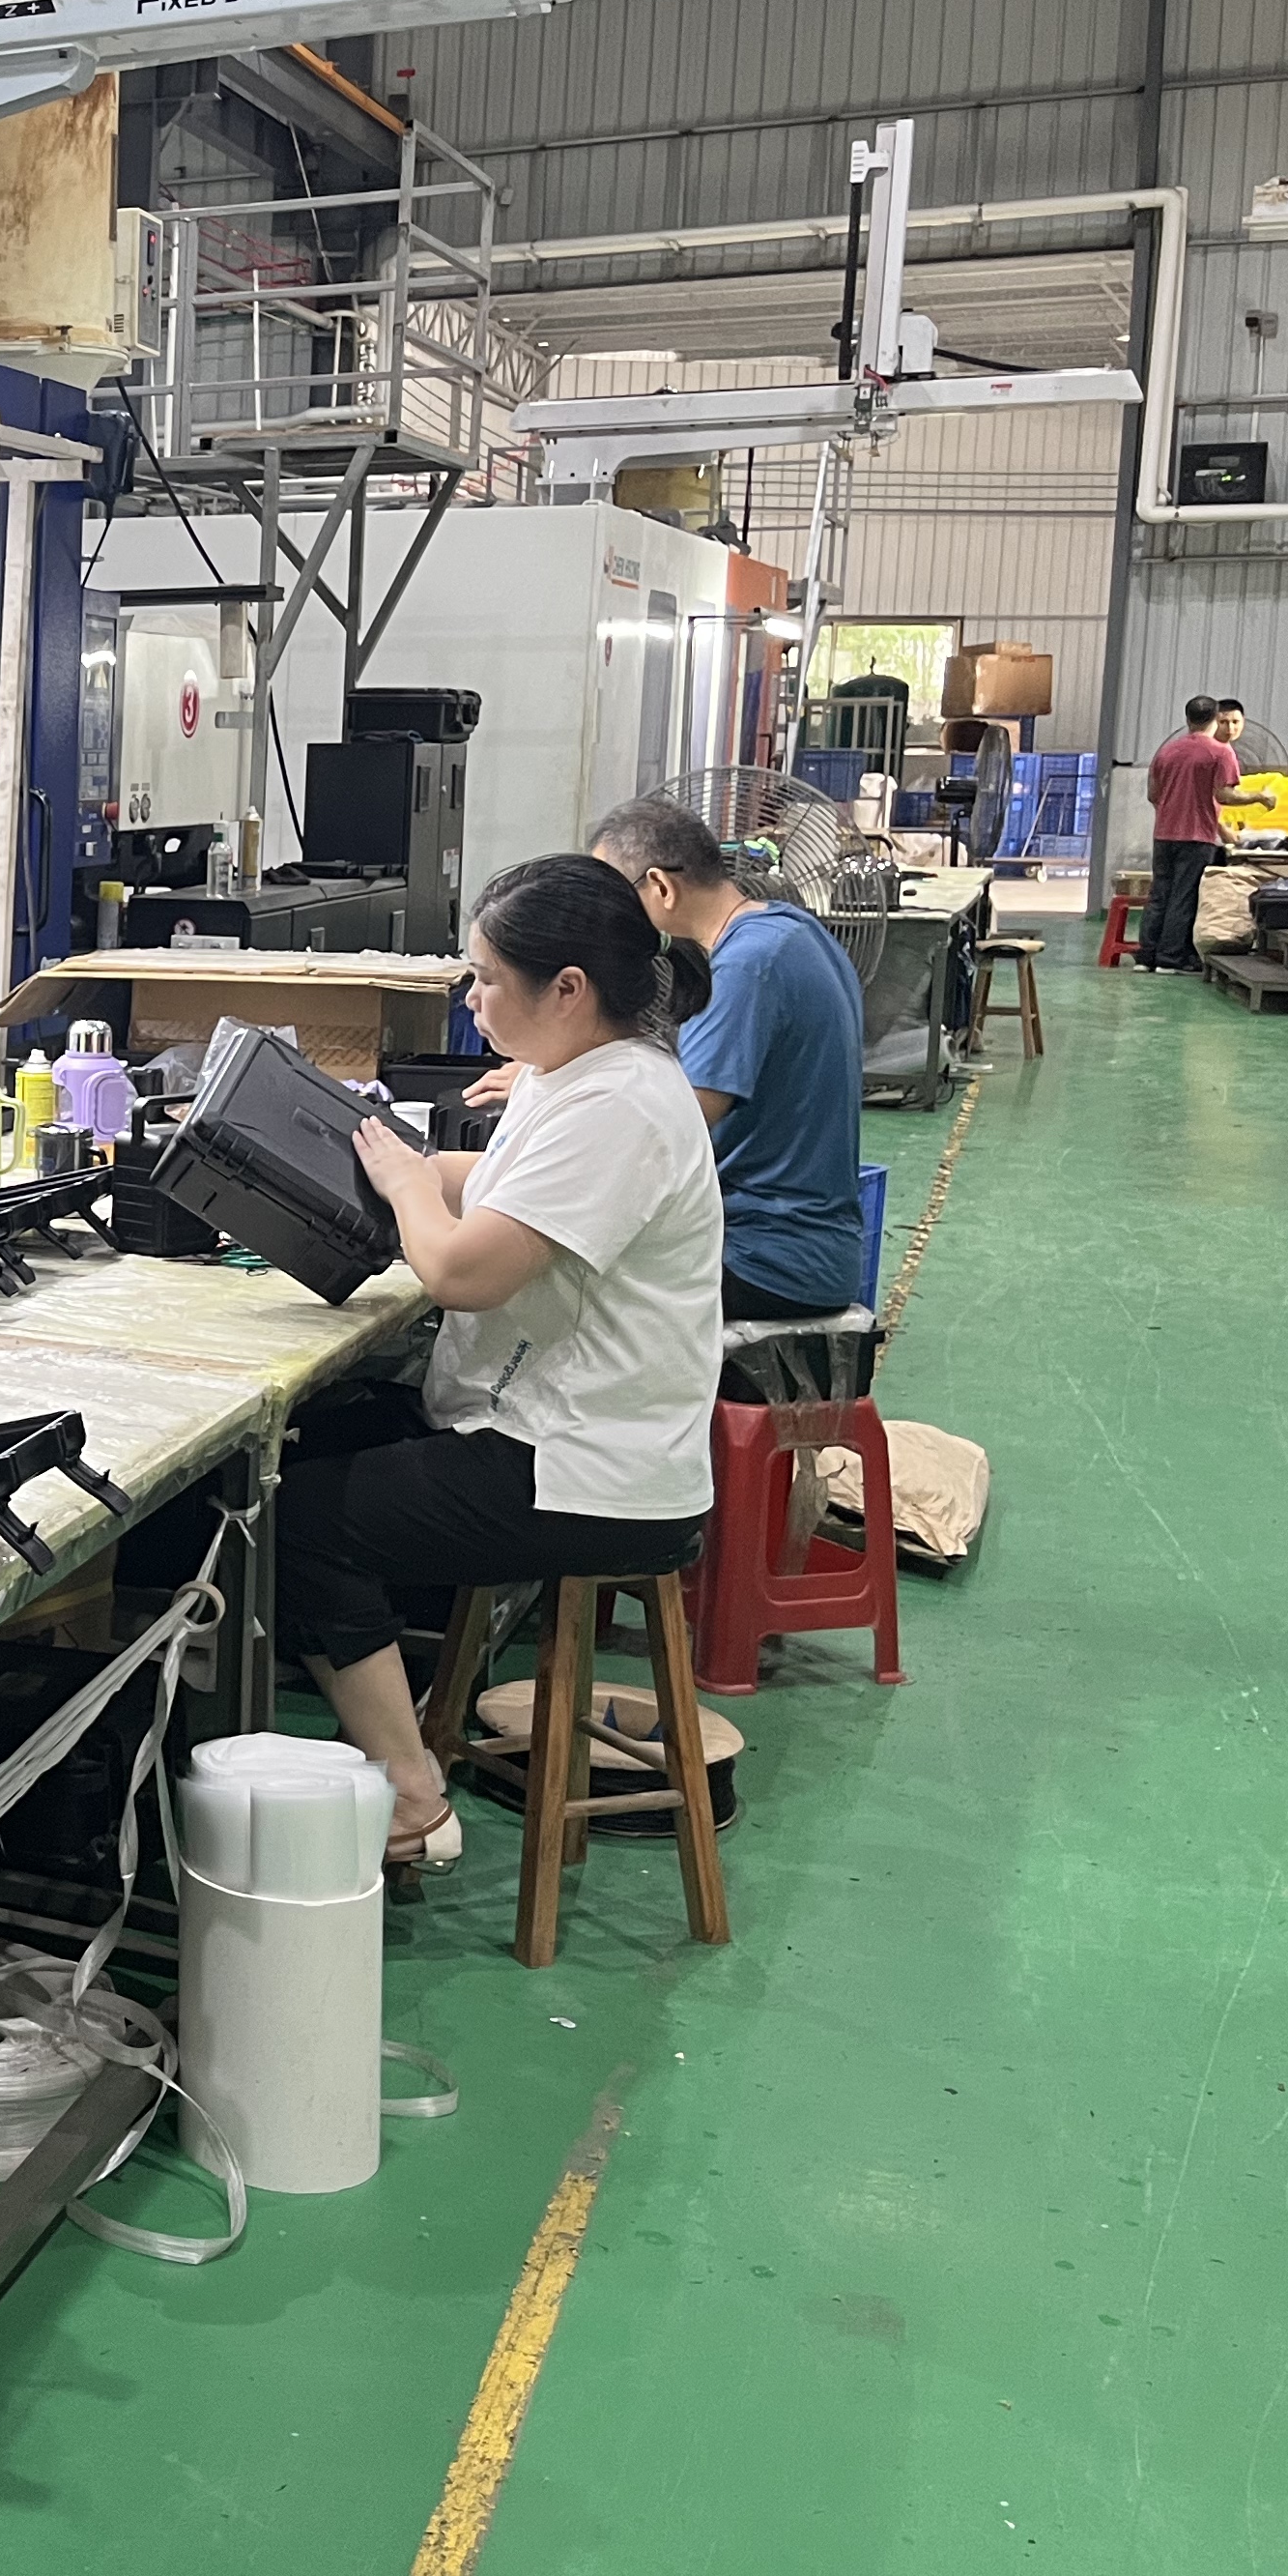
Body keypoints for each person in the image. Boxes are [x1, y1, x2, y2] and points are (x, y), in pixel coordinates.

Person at [280, 856, 728, 1867]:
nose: (470, 998)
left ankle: (410, 1801)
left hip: (591, 1471)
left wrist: (405, 1188)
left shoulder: (621, 1107)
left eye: (485, 978)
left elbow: (461, 1273)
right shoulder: (577, 1074)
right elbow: (500, 1180)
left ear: (567, 988)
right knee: (310, 1439)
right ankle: (366, 1722)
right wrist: (369, 1160)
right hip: (550, 1426)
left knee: (301, 1521)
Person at [584, 798, 869, 1318]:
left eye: (615, 899)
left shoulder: (743, 968)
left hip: (766, 1256)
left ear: (661, 887)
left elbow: (676, 1127)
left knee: (561, 1276)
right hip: (807, 1247)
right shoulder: (791, 930)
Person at [1143, 695, 1245, 971]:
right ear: (1215, 719)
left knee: (1159, 895)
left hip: (1163, 835)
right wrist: (1260, 797)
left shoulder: (1166, 751)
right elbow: (1224, 795)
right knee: (1184, 897)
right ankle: (1170, 959)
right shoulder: (1220, 752)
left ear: (1187, 719)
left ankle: (1146, 957)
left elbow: (1153, 795)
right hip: (1197, 837)